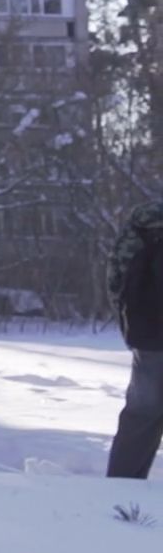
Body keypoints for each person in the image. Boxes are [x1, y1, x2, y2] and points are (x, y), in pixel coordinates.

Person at [107, 200, 163, 479]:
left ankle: (123, 482)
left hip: (147, 338)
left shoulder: (138, 233)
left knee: (142, 416)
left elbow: (117, 286)